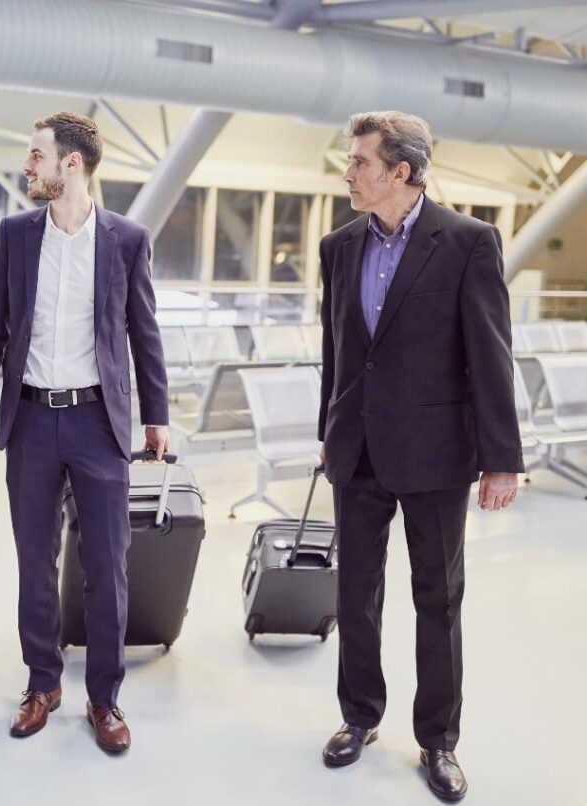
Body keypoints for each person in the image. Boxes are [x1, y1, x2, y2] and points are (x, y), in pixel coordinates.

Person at [317, 111, 523, 801]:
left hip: (437, 453)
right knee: (356, 593)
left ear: (399, 172)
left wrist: (502, 459)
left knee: (438, 598)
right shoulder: (338, 245)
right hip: (358, 449)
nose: (348, 173)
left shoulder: (467, 242)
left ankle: (438, 740)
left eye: (360, 163)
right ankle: (358, 717)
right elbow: (338, 352)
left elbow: (490, 356)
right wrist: (329, 427)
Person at [0, 112, 169, 754]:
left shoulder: (127, 239)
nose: (29, 166)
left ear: (70, 164)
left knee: (107, 565)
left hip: (97, 422)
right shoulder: (18, 235)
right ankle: (41, 682)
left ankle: (104, 698)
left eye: (36, 156)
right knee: (34, 561)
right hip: (28, 419)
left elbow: (144, 330)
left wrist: (156, 414)